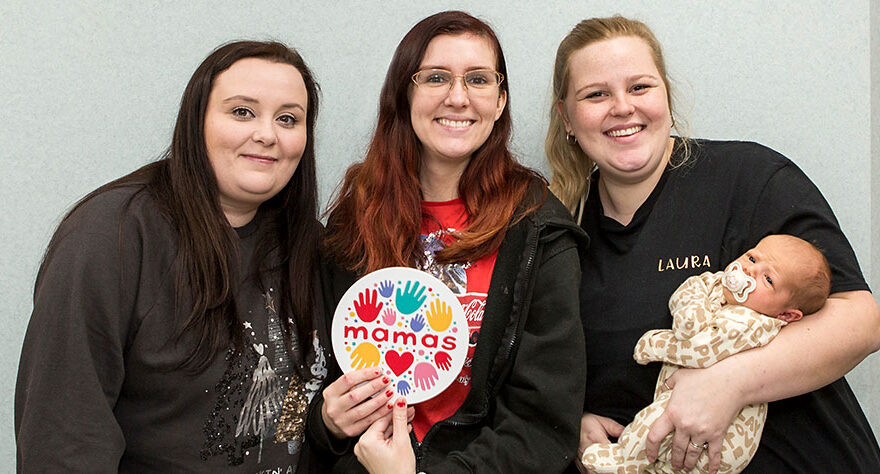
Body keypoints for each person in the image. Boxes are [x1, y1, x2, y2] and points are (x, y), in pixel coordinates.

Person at [545, 15, 880, 474]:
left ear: (665, 94)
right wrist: (571, 422)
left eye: (640, 87)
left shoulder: (749, 178)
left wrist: (731, 382)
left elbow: (861, 321)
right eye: (596, 94)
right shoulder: (559, 235)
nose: (622, 107)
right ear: (566, 117)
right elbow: (549, 374)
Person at [15, 41, 329, 472]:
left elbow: (296, 413)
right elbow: (64, 436)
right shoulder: (115, 234)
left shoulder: (308, 244)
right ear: (195, 121)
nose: (267, 134)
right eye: (242, 112)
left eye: (288, 119)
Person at [310, 10, 588, 474]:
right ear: (404, 94)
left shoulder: (539, 226)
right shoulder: (356, 219)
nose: (457, 98)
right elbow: (317, 379)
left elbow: (544, 426)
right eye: (436, 77)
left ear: (500, 102)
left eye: (478, 79)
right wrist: (328, 424)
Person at [582, 235, 831, 473]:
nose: (749, 271)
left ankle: (626, 462)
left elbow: (701, 351)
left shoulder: (751, 324)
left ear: (786, 315)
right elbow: (693, 290)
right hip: (689, 415)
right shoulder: (724, 292)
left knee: (655, 422)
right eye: (752, 259)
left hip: (723, 444)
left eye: (768, 279)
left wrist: (655, 344)